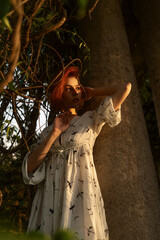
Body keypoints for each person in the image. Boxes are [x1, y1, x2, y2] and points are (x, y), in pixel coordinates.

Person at [22, 66, 132, 240]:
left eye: (78, 88)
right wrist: (54, 133)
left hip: (80, 195)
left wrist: (92, 92)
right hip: (50, 199)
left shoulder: (90, 119)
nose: (75, 92)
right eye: (68, 89)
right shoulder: (48, 130)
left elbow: (125, 88)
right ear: (58, 94)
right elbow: (29, 169)